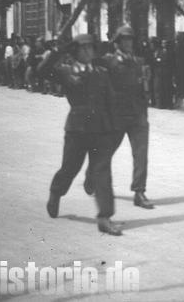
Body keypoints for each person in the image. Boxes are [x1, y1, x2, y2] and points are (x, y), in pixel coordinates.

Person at [40, 34, 122, 235]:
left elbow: (111, 101)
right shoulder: (66, 72)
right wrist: (56, 51)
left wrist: (114, 130)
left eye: (90, 48)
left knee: (102, 172)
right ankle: (56, 192)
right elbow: (41, 71)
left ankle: (105, 216)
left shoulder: (102, 72)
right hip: (77, 131)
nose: (87, 52)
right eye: (83, 49)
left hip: (101, 130)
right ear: (75, 52)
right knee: (70, 168)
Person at [90, 25, 155, 209]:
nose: (129, 43)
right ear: (117, 43)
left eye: (130, 40)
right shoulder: (109, 61)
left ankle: (139, 192)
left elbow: (143, 86)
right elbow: (94, 59)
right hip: (117, 116)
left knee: (141, 154)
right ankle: (92, 175)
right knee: (105, 152)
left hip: (138, 115)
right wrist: (108, 43)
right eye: (124, 40)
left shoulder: (138, 61)